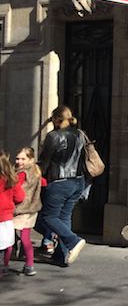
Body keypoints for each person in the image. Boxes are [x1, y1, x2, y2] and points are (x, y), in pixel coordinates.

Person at [38, 106, 87, 267]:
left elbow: (44, 162)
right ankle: (62, 255)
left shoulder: (53, 136)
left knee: (48, 217)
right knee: (64, 217)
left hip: (59, 181)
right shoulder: (80, 134)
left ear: (56, 119)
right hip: (78, 180)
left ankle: (73, 241)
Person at [8, 148, 47, 276]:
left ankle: (4, 265)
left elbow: (14, 188)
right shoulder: (36, 171)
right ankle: (29, 265)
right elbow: (44, 183)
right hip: (32, 209)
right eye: (17, 158)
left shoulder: (21, 173)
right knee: (26, 237)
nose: (19, 161)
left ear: (30, 159)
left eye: (23, 159)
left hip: (19, 209)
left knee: (8, 238)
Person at [0, 151, 25, 277]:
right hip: (5, 217)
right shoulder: (11, 179)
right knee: (5, 245)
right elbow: (20, 197)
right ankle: (3, 266)